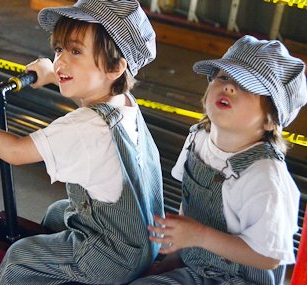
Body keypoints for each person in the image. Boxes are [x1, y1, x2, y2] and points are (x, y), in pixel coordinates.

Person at [0, 0, 164, 284]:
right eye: (59, 49)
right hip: (141, 241)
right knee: (56, 213)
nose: (62, 61)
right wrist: (52, 74)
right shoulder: (123, 103)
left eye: (76, 51)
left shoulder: (84, 127)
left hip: (111, 257)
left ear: (115, 67)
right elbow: (92, 92)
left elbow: (15, 151)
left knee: (20, 256)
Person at [131, 35, 307, 285]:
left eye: (247, 85)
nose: (229, 86)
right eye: (224, 76)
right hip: (194, 266)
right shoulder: (198, 138)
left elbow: (268, 258)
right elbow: (189, 204)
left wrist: (199, 236)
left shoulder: (265, 176)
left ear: (270, 120)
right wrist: (172, 259)